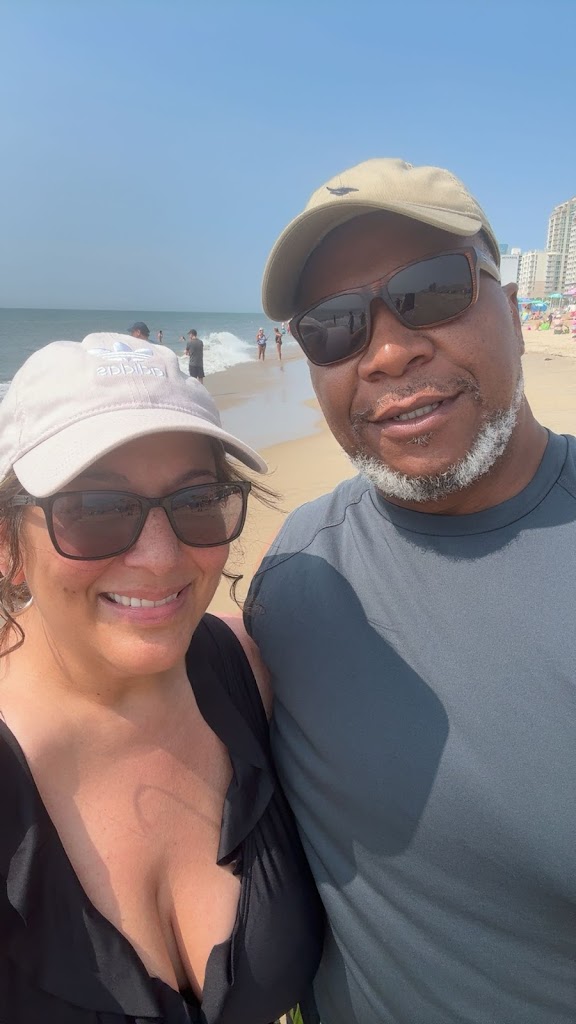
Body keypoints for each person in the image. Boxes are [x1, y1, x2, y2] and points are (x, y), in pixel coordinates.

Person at [243, 159, 576, 1023]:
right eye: (333, 327)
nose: (390, 352)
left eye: (431, 292)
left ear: (513, 309)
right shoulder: (294, 574)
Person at [0, 333, 323, 1023]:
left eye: (197, 500)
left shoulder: (248, 670)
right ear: (8, 546)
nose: (160, 557)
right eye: (95, 509)